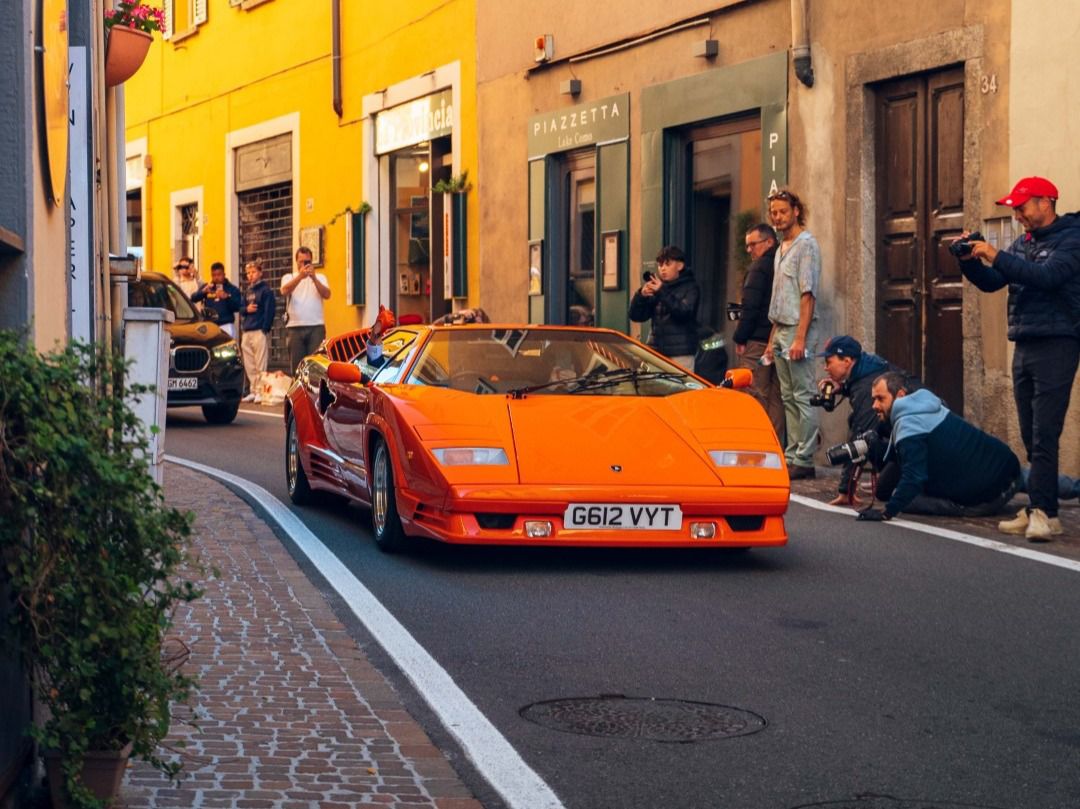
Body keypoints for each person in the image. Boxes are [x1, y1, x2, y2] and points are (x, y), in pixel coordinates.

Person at [957, 176, 1080, 540]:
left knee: (1045, 432)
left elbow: (1047, 276)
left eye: (1022, 207)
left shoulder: (1071, 237)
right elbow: (994, 281)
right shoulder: (1024, 242)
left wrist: (995, 255)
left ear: (1046, 202)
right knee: (1029, 431)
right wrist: (968, 260)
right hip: (1025, 341)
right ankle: (1043, 510)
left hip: (1058, 341)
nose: (1018, 214)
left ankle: (1041, 511)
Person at [857, 372, 1022, 523]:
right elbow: (905, 456)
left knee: (907, 498)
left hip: (987, 498)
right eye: (873, 399)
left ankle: (961, 506)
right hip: (1011, 470)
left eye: (880, 398)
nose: (874, 406)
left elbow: (914, 476)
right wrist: (877, 448)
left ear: (900, 395)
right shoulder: (926, 405)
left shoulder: (908, 425)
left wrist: (886, 513)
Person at [817, 335, 920, 507]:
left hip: (918, 445)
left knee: (883, 491)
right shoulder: (869, 369)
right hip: (911, 439)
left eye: (829, 362)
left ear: (847, 360)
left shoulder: (867, 386)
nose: (826, 368)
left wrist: (845, 490)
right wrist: (843, 388)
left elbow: (860, 438)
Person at [763, 189, 821, 480]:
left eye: (783, 211)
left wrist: (800, 338)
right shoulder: (781, 247)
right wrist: (772, 339)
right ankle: (792, 453)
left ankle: (805, 457)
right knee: (787, 395)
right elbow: (779, 297)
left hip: (799, 330)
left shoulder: (806, 245)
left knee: (803, 394)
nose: (778, 217)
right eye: (774, 212)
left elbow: (807, 295)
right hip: (781, 328)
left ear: (796, 211)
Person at [734, 223, 783, 440]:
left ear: (769, 242)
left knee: (754, 394)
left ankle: (756, 445)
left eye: (752, 244)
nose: (749, 250)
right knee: (777, 398)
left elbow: (750, 306)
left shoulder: (760, 267)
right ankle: (776, 448)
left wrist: (740, 337)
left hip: (757, 340)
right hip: (778, 339)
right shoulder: (782, 262)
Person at [628, 245, 701, 371]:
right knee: (653, 389)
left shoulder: (690, 287)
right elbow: (636, 316)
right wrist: (641, 295)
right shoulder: (658, 288)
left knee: (682, 389)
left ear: (680, 265)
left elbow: (684, 313)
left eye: (667, 264)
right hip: (656, 352)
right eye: (660, 265)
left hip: (680, 352)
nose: (663, 269)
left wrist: (661, 291)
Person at [281, 246, 331, 372]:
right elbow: (284, 291)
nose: (304, 264)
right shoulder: (289, 277)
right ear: (296, 262)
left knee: (316, 365)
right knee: (297, 366)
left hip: (316, 327)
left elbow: (327, 294)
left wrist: (313, 277)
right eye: (301, 261)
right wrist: (300, 277)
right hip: (294, 327)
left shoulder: (320, 277)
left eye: (307, 261)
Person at [240, 259, 276, 403]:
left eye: (254, 272)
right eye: (248, 273)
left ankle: (261, 391)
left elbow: (269, 310)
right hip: (247, 329)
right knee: (249, 363)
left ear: (260, 273)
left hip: (259, 329)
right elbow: (241, 308)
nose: (250, 275)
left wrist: (265, 328)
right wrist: (246, 310)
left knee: (260, 363)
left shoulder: (265, 290)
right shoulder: (247, 291)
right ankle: (253, 390)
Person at [190, 261, 242, 337]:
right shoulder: (208, 287)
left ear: (224, 275)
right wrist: (203, 292)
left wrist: (227, 297)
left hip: (226, 325)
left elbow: (237, 307)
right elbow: (193, 298)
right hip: (210, 326)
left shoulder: (232, 289)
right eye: (214, 275)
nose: (216, 277)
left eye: (219, 275)